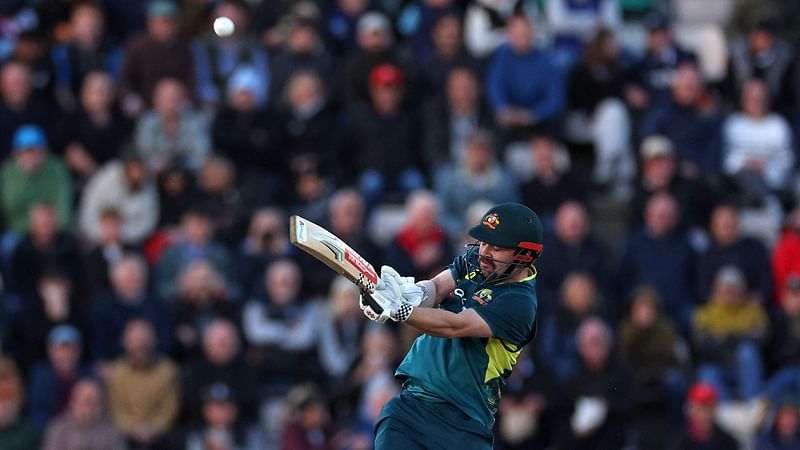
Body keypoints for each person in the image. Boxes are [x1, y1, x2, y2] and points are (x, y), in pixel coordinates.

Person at [358, 202, 544, 449]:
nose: (484, 252)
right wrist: (409, 294)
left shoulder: (520, 303)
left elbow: (455, 326)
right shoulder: (477, 261)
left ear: (524, 255)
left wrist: (401, 311)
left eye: (496, 248)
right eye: (484, 243)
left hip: (463, 425)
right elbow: (436, 287)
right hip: (411, 407)